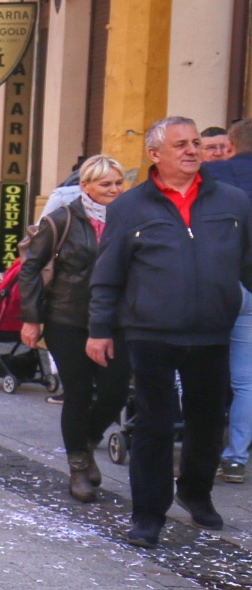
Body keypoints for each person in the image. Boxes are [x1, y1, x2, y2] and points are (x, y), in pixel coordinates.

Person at [88, 117, 252, 547]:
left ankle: (196, 493)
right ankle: (147, 514)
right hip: (151, 333)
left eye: (196, 142)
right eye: (180, 144)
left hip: (214, 331)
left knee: (207, 421)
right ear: (155, 155)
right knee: (154, 425)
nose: (192, 150)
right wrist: (100, 328)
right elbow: (108, 274)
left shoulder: (234, 202)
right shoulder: (129, 207)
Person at [19, 154, 130, 502]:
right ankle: (78, 467)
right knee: (79, 391)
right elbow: (30, 269)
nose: (113, 190)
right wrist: (32, 317)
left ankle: (87, 440)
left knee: (114, 392)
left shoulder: (130, 220)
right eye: (105, 184)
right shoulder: (62, 220)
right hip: (68, 319)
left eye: (117, 183)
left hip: (116, 321)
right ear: (85, 186)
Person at [206, 119, 252, 483]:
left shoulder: (211, 174)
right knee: (246, 379)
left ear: (232, 144)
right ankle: (236, 456)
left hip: (214, 281)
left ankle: (196, 444)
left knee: (194, 364)